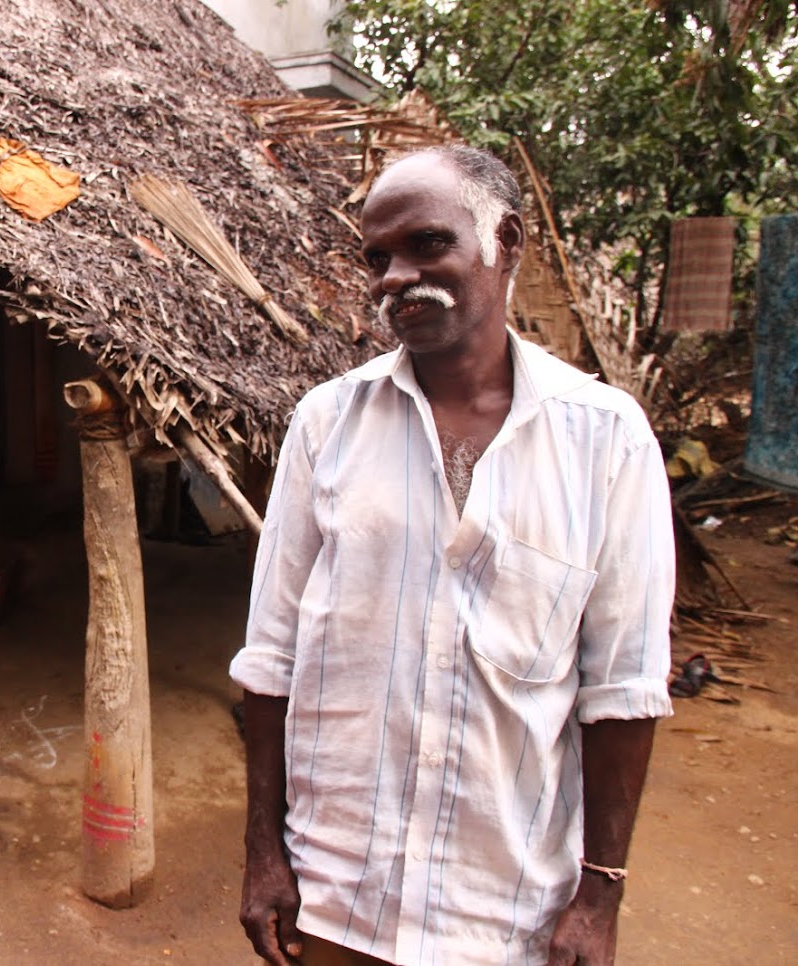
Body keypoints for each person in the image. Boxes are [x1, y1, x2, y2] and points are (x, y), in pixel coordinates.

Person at [231, 147, 674, 966]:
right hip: (336, 892)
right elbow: (271, 661)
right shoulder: (326, 424)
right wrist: (265, 852)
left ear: (502, 241)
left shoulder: (604, 438)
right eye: (376, 257)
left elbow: (623, 688)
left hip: (504, 907)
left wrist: (599, 894)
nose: (394, 276)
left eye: (427, 245)